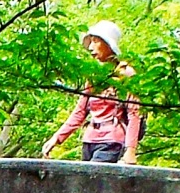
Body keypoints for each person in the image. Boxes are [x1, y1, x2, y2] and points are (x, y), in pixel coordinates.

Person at [41, 20, 142, 164]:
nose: (90, 47)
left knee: (92, 181)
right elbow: (80, 111)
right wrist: (56, 138)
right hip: (89, 140)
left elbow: (134, 114)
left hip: (112, 141)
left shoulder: (126, 74)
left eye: (95, 41)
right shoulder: (94, 76)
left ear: (108, 44)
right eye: (90, 42)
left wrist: (131, 150)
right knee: (86, 183)